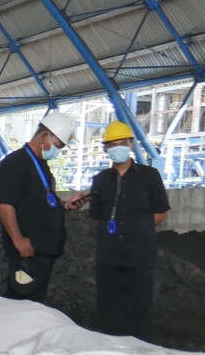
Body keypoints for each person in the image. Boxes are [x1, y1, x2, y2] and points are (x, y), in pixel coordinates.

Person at [68, 121, 169, 338]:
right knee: (108, 306)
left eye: (121, 142)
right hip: (109, 256)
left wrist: (140, 231)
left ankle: (137, 346)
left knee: (138, 305)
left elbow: (161, 211)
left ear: (131, 144)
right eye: (112, 144)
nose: (117, 147)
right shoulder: (100, 180)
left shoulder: (149, 176)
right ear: (106, 149)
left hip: (140, 254)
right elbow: (96, 215)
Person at [0, 113, 76, 302]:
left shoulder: (42, 165)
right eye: (58, 145)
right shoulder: (15, 163)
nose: (58, 151)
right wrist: (18, 240)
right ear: (44, 135)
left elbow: (40, 202)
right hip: (27, 251)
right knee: (21, 301)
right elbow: (6, 204)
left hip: (42, 251)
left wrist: (64, 206)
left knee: (34, 303)